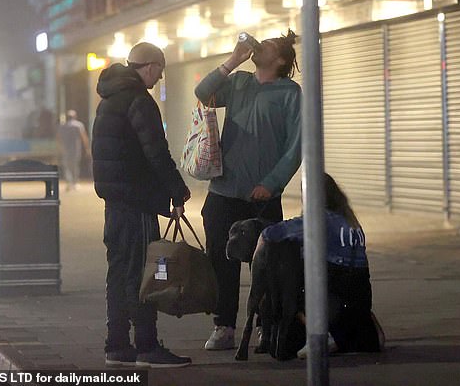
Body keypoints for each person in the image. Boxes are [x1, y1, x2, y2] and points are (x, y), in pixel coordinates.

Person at [195, 29, 302, 350]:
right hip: (224, 190)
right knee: (220, 259)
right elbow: (203, 92)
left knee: (267, 265)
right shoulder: (239, 82)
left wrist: (271, 183)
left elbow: (296, 146)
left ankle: (265, 325)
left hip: (262, 197)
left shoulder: (290, 94)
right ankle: (224, 325)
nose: (258, 46)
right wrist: (233, 59)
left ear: (281, 59)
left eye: (267, 46)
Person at [92, 42, 192, 368]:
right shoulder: (139, 100)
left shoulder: (108, 100)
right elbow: (156, 153)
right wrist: (177, 191)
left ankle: (117, 345)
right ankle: (147, 346)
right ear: (148, 66)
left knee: (119, 273)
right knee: (145, 274)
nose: (160, 78)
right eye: (160, 71)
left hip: (115, 203)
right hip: (137, 204)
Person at [260, 173, 385, 357]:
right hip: (359, 297)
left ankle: (321, 337)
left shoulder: (320, 219)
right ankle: (366, 328)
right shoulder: (351, 221)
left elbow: (274, 232)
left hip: (335, 293)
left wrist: (260, 242)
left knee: (293, 288)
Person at [56, 109, 90, 191]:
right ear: (75, 117)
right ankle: (75, 183)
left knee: (67, 166)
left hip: (66, 149)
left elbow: (58, 138)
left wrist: (60, 149)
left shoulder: (62, 127)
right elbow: (84, 137)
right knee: (75, 166)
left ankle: (69, 182)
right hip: (76, 149)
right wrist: (87, 148)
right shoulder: (79, 125)